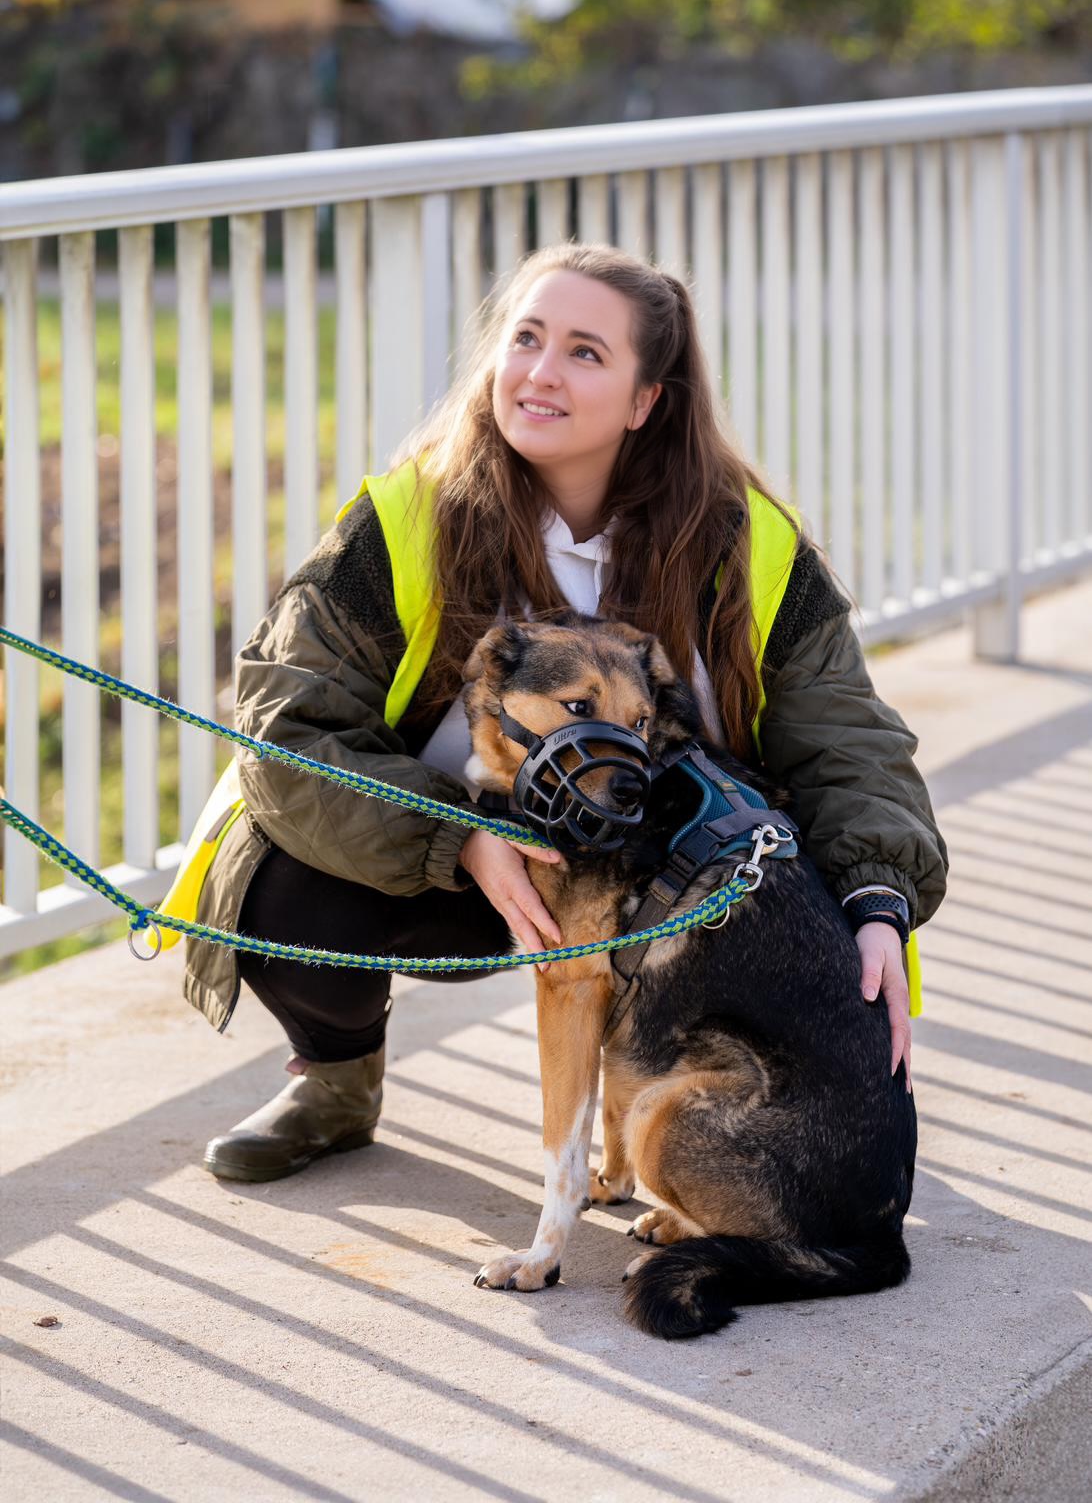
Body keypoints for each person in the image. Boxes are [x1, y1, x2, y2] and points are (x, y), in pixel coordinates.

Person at [177, 242, 947, 1183]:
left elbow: (847, 739)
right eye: (526, 339)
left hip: (668, 878)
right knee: (281, 890)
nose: (539, 373)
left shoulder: (746, 542)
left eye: (585, 352)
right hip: (453, 853)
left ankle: (745, 1108)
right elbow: (285, 725)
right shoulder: (405, 519)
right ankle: (338, 1079)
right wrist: (454, 836)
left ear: (644, 401)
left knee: (810, 915)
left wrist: (878, 898)